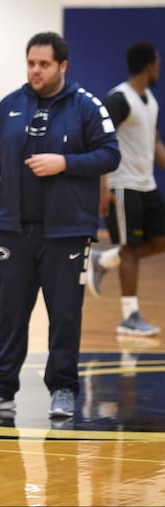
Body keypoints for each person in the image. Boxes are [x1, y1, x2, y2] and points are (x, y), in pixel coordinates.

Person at [0, 31, 121, 419]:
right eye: (31, 63)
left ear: (62, 66)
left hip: (66, 232)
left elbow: (110, 154)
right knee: (10, 314)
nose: (36, 70)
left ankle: (63, 388)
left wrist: (65, 163)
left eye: (44, 64)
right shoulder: (9, 107)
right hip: (15, 231)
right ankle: (0, 388)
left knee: (65, 316)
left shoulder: (86, 106)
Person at [86, 42, 165, 337]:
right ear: (149, 66)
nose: (159, 68)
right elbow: (100, 141)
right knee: (129, 248)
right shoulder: (119, 99)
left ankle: (103, 259)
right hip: (121, 184)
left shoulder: (150, 101)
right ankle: (129, 317)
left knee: (160, 240)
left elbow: (155, 144)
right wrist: (102, 186)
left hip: (146, 184)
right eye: (157, 63)